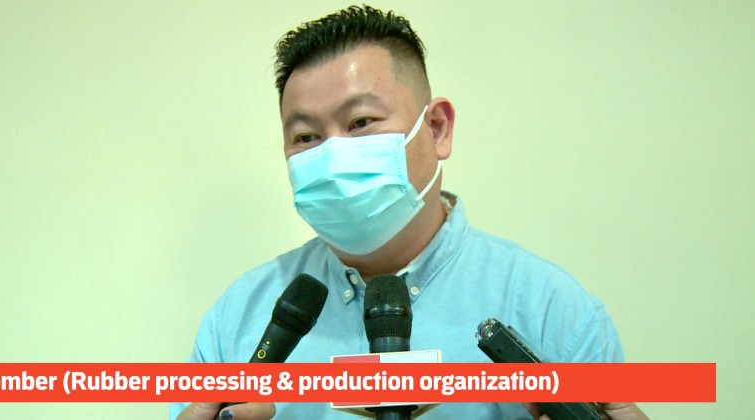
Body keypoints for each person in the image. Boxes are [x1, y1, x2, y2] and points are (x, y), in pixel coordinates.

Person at [173, 5, 638, 419]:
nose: (333, 156)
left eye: (361, 122)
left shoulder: (553, 311)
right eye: (306, 137)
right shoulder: (239, 319)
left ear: (436, 129)